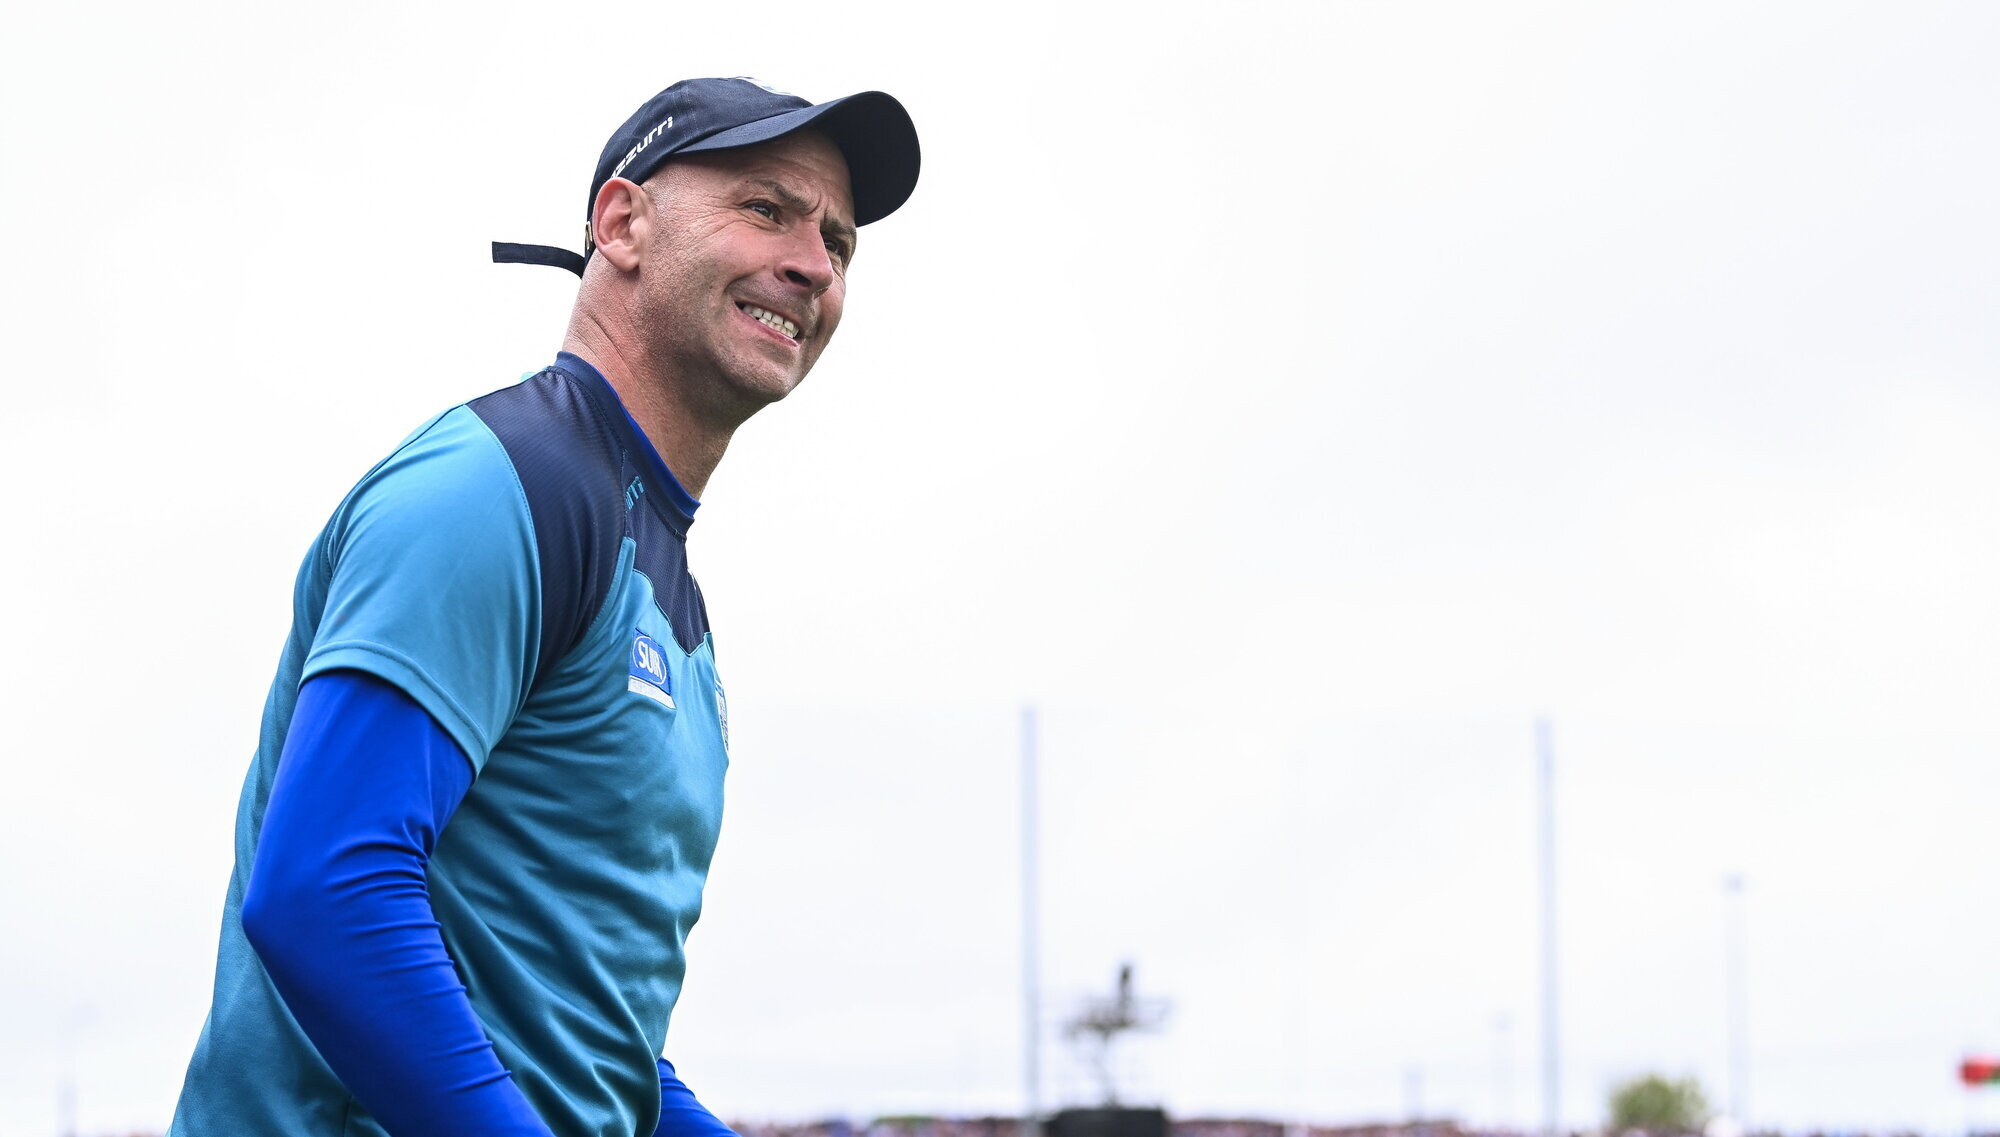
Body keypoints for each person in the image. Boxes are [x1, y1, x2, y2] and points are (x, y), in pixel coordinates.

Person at [167, 77, 921, 1137]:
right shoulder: (496, 488)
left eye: (838, 243)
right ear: (622, 224)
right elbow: (326, 894)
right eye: (765, 209)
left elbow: (585, 1042)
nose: (813, 264)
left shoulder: (672, 603)